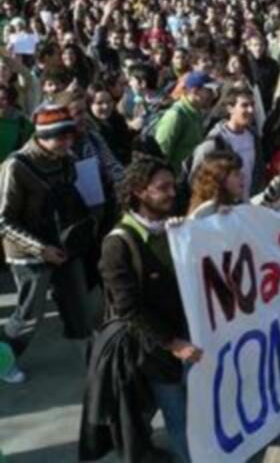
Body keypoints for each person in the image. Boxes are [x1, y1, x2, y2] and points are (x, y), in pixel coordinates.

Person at [97, 156, 201, 462]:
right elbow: (129, 309)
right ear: (140, 192)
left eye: (173, 185)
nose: (172, 192)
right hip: (155, 351)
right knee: (179, 418)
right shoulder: (118, 243)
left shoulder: (173, 227)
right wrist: (173, 343)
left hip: (186, 337)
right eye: (162, 187)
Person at [0, 105, 94, 383]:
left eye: (70, 136)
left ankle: (93, 364)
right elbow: (3, 221)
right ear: (43, 136)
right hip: (29, 255)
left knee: (78, 309)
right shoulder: (16, 166)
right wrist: (42, 250)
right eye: (61, 137)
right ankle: (5, 360)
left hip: (65, 247)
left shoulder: (66, 158)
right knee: (29, 315)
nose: (68, 142)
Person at [191, 86, 264, 198]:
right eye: (244, 105)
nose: (251, 110)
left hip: (248, 207)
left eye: (252, 104)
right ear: (230, 108)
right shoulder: (214, 142)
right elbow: (197, 179)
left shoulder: (254, 137)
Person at [154, 71, 219, 172]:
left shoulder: (197, 113)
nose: (213, 95)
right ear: (195, 91)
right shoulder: (175, 116)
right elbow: (161, 153)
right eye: (209, 90)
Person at [188, 150, 246, 218]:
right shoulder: (205, 212)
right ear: (220, 179)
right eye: (236, 174)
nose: (243, 177)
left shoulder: (239, 204)